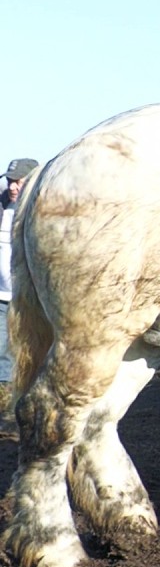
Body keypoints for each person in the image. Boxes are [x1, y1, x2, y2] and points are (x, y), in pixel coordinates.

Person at [1, 158, 38, 422]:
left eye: (19, 181)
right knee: (2, 353)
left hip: (32, 298)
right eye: (10, 180)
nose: (13, 187)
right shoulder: (2, 207)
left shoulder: (43, 209)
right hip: (2, 297)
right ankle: (6, 411)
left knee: (32, 350)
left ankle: (32, 405)